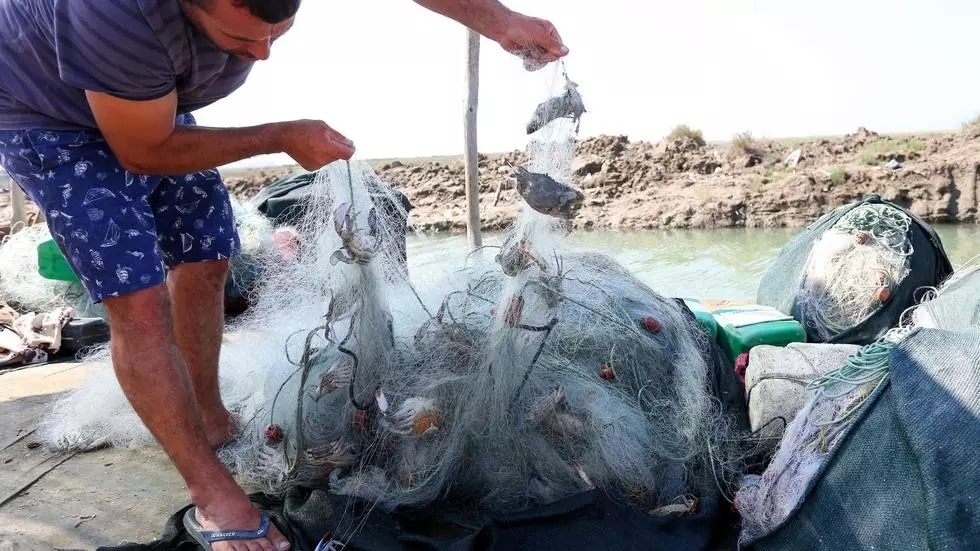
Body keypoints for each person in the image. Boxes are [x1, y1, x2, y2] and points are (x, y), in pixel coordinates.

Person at [0, 1, 567, 549]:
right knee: (136, 303)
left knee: (207, 255)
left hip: (149, 109)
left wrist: (500, 20)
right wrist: (279, 136)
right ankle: (211, 492)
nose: (264, 54)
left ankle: (208, 416)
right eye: (246, 40)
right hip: (49, 120)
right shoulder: (111, 11)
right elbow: (143, 149)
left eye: (278, 33)